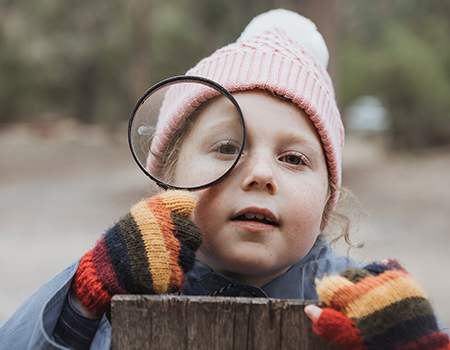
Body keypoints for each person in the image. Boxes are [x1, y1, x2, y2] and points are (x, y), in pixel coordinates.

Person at [1, 9, 448, 350]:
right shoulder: (114, 280)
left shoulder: (363, 306)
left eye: (293, 158)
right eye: (226, 148)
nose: (259, 175)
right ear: (168, 180)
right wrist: (81, 304)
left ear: (329, 197)